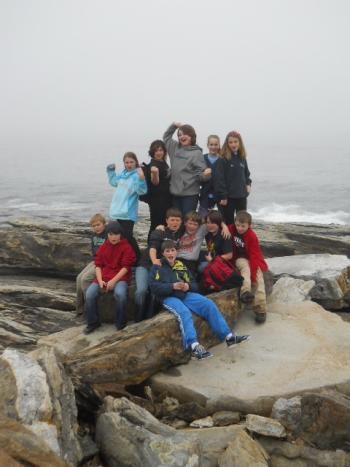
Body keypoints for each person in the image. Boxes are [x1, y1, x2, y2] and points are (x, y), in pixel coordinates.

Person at [149, 240, 250, 360]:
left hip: (184, 294)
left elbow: (194, 284)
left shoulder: (180, 265)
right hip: (168, 297)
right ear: (163, 253)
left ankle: (229, 337)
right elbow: (153, 287)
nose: (170, 253)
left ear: (176, 252)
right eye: (167, 251)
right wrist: (172, 286)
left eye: (173, 250)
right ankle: (194, 347)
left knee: (208, 304)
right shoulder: (157, 266)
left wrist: (188, 286)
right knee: (184, 312)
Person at [84, 221, 137, 334]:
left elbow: (126, 267)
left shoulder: (126, 247)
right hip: (104, 276)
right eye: (111, 234)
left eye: (116, 234)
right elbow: (98, 265)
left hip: (120, 277)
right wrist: (100, 280)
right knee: (89, 294)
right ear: (107, 235)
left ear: (120, 234)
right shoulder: (104, 246)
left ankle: (120, 322)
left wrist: (113, 281)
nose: (113, 237)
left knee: (120, 294)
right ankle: (93, 322)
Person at [134, 208, 184, 322]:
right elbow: (152, 248)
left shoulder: (179, 234)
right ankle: (138, 319)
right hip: (146, 265)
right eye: (172, 220)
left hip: (161, 268)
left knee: (155, 292)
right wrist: (154, 260)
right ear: (166, 221)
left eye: (177, 220)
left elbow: (196, 223)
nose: (175, 223)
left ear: (181, 222)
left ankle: (149, 319)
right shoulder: (159, 232)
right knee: (141, 291)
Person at [163, 122, 211, 216]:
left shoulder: (196, 153)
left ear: (192, 136)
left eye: (185, 134)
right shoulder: (175, 148)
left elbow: (200, 176)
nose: (182, 137)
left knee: (187, 221)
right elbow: (166, 137)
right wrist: (174, 126)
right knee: (177, 221)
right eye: (179, 135)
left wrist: (206, 175)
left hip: (190, 195)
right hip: (175, 194)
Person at [106, 152, 147, 260]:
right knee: (115, 237)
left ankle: (138, 258)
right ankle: (121, 258)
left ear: (135, 162)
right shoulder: (122, 175)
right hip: (116, 211)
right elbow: (113, 182)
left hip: (128, 213)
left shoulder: (136, 176)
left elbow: (142, 191)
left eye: (131, 162)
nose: (129, 164)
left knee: (127, 237)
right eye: (126, 162)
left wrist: (142, 178)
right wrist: (111, 171)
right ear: (124, 163)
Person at [229, 210, 268, 323]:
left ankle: (260, 309)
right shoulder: (231, 229)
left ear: (249, 226)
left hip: (253, 259)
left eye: (243, 226)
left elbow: (255, 256)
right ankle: (245, 292)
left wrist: (254, 274)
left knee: (258, 278)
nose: (239, 228)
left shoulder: (251, 236)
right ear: (235, 223)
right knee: (245, 269)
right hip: (239, 258)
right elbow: (221, 226)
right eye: (238, 225)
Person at [213, 131, 252, 224]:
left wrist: (248, 184)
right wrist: (223, 196)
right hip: (228, 198)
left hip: (242, 196)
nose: (233, 144)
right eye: (230, 142)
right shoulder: (222, 159)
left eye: (235, 142)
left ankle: (240, 239)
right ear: (227, 144)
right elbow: (219, 179)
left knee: (242, 222)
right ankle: (229, 239)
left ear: (240, 143)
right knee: (229, 222)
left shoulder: (242, 157)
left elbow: (246, 174)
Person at [76, 213, 107, 315]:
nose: (96, 228)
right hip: (96, 261)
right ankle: (79, 309)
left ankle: (90, 308)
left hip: (104, 263)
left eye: (98, 225)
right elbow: (94, 251)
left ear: (104, 224)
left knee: (85, 280)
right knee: (79, 278)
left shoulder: (108, 235)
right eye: (94, 226)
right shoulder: (93, 236)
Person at [141, 140, 172, 239]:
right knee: (156, 224)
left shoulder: (162, 162)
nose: (159, 152)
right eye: (156, 151)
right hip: (157, 201)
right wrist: (155, 174)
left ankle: (160, 246)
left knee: (163, 224)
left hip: (166, 199)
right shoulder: (154, 165)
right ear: (152, 152)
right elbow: (155, 182)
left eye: (161, 150)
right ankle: (151, 246)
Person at [199, 135, 221, 219]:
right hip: (205, 195)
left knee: (217, 220)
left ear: (219, 145)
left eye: (216, 144)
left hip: (219, 196)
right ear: (207, 145)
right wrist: (204, 174)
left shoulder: (222, 160)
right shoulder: (202, 158)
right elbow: (198, 178)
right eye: (211, 144)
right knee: (203, 219)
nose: (213, 147)